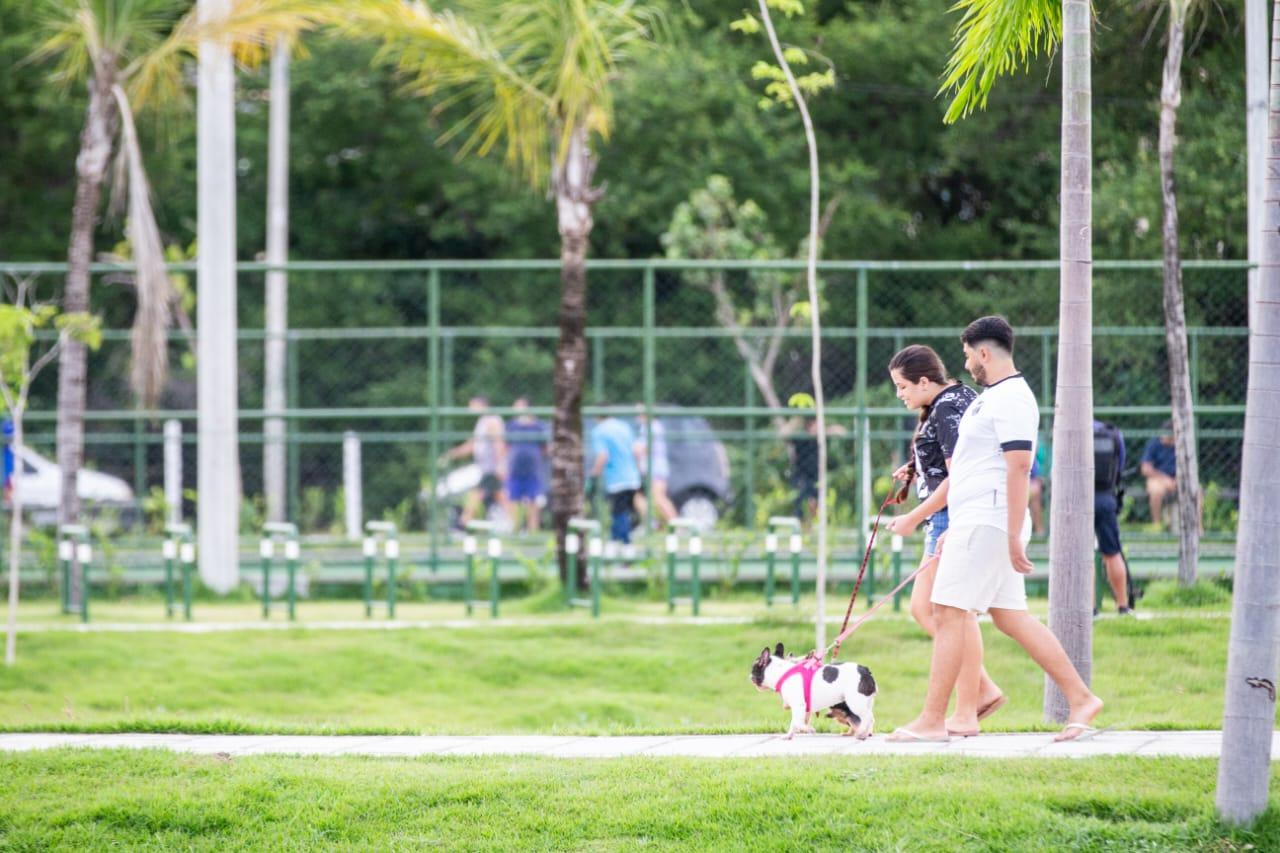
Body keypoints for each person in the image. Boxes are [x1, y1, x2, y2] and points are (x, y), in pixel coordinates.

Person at [888, 316, 1103, 743]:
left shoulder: (1012, 399)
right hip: (976, 519)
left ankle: (933, 720)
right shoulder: (991, 397)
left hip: (990, 520)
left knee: (947, 612)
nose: (966, 365)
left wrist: (1009, 533)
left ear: (984, 353)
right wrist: (957, 525)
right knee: (1009, 617)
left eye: (968, 356)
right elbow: (972, 466)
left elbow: (1019, 466)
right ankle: (1080, 698)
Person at [883, 345, 1005, 736]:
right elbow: (951, 460)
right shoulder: (956, 398)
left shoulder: (948, 407)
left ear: (923, 381)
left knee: (953, 613)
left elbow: (960, 476)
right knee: (928, 609)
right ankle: (980, 688)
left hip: (949, 518)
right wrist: (919, 467)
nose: (899, 394)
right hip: (948, 516)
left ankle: (969, 706)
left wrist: (912, 518)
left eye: (902, 386)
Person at [441, 396, 510, 527]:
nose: (469, 409)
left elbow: (499, 443)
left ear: (482, 405)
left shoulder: (492, 421)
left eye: (472, 406)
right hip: (486, 467)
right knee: (500, 495)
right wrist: (452, 454)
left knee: (477, 493)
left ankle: (463, 523)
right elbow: (472, 444)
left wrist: (500, 464)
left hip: (491, 466)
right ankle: (515, 526)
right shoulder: (482, 422)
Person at [1094, 418, 1132, 615]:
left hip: (1077, 501)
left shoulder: (1069, 431)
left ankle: (1089, 606)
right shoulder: (1113, 433)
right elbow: (1120, 467)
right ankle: (1123, 605)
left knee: (1082, 556)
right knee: (1112, 553)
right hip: (1106, 499)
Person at [589, 411, 641, 544]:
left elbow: (602, 456)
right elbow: (636, 451)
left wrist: (593, 474)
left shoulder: (599, 431)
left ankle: (624, 543)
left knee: (619, 513)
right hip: (633, 477)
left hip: (616, 480)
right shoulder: (624, 426)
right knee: (623, 512)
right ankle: (616, 540)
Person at [505, 397, 549, 533]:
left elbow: (545, 447)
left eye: (518, 405)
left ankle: (532, 531)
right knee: (513, 499)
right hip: (515, 468)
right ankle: (514, 529)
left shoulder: (538, 425)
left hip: (533, 469)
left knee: (533, 501)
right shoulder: (511, 425)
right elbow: (506, 446)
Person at [633, 408, 677, 528]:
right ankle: (651, 524)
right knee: (638, 498)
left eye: (639, 412)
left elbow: (645, 447)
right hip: (646, 469)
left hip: (656, 469)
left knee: (659, 498)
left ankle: (677, 526)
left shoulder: (653, 427)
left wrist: (636, 449)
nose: (637, 415)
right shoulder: (645, 427)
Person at [1139, 421, 1178, 526]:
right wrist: (1164, 479)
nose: (1170, 441)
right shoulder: (1154, 444)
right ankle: (1156, 524)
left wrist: (1177, 480)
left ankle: (1198, 528)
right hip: (1157, 479)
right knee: (1156, 491)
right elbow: (1145, 469)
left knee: (1197, 491)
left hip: (1177, 479)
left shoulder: (1180, 445)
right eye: (1168, 437)